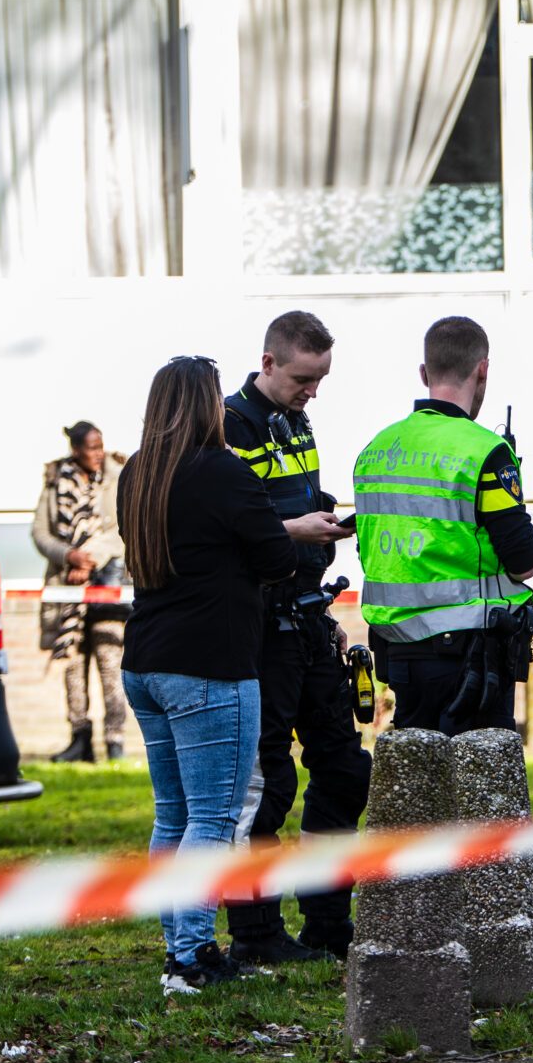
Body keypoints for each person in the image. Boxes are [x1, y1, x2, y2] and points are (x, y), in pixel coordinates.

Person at [117, 355, 296, 994]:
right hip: (210, 665)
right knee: (214, 818)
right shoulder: (224, 471)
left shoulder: (137, 472)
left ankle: (178, 949)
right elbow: (277, 559)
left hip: (146, 662)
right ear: (207, 405)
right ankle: (193, 954)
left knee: (173, 816)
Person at [219, 311, 366, 966]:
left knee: (344, 768)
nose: (313, 392)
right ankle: (256, 934)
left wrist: (322, 524)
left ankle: (328, 922)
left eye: (321, 380)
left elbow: (291, 504)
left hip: (307, 619)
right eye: (303, 379)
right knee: (268, 783)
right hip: (260, 630)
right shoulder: (231, 425)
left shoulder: (295, 420)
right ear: (268, 362)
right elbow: (228, 529)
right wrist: (295, 530)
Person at [352, 316, 533, 734]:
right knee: (481, 770)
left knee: (418, 768)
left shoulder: (375, 450)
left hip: (398, 654)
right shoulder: (486, 451)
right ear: (482, 370)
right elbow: (522, 560)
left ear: (424, 373)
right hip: (469, 657)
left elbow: (368, 545)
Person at [32, 421, 131, 762]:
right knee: (73, 666)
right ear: (75, 450)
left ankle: (115, 740)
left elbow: (122, 528)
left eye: (100, 446)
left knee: (110, 662)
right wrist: (68, 556)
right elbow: (40, 533)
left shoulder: (118, 475)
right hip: (68, 589)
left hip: (108, 586)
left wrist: (88, 558)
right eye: (91, 448)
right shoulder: (54, 480)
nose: (98, 453)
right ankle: (80, 740)